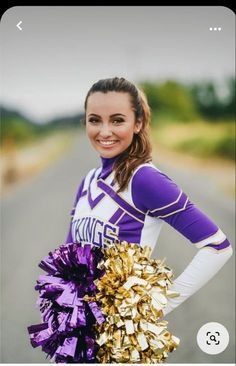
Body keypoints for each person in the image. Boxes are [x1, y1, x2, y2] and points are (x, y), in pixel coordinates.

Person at [64, 76, 233, 317]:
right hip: (78, 331)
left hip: (120, 341)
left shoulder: (143, 179)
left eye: (117, 120)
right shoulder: (88, 181)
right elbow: (68, 255)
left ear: (138, 123)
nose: (104, 131)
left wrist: (157, 308)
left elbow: (217, 247)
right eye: (94, 120)